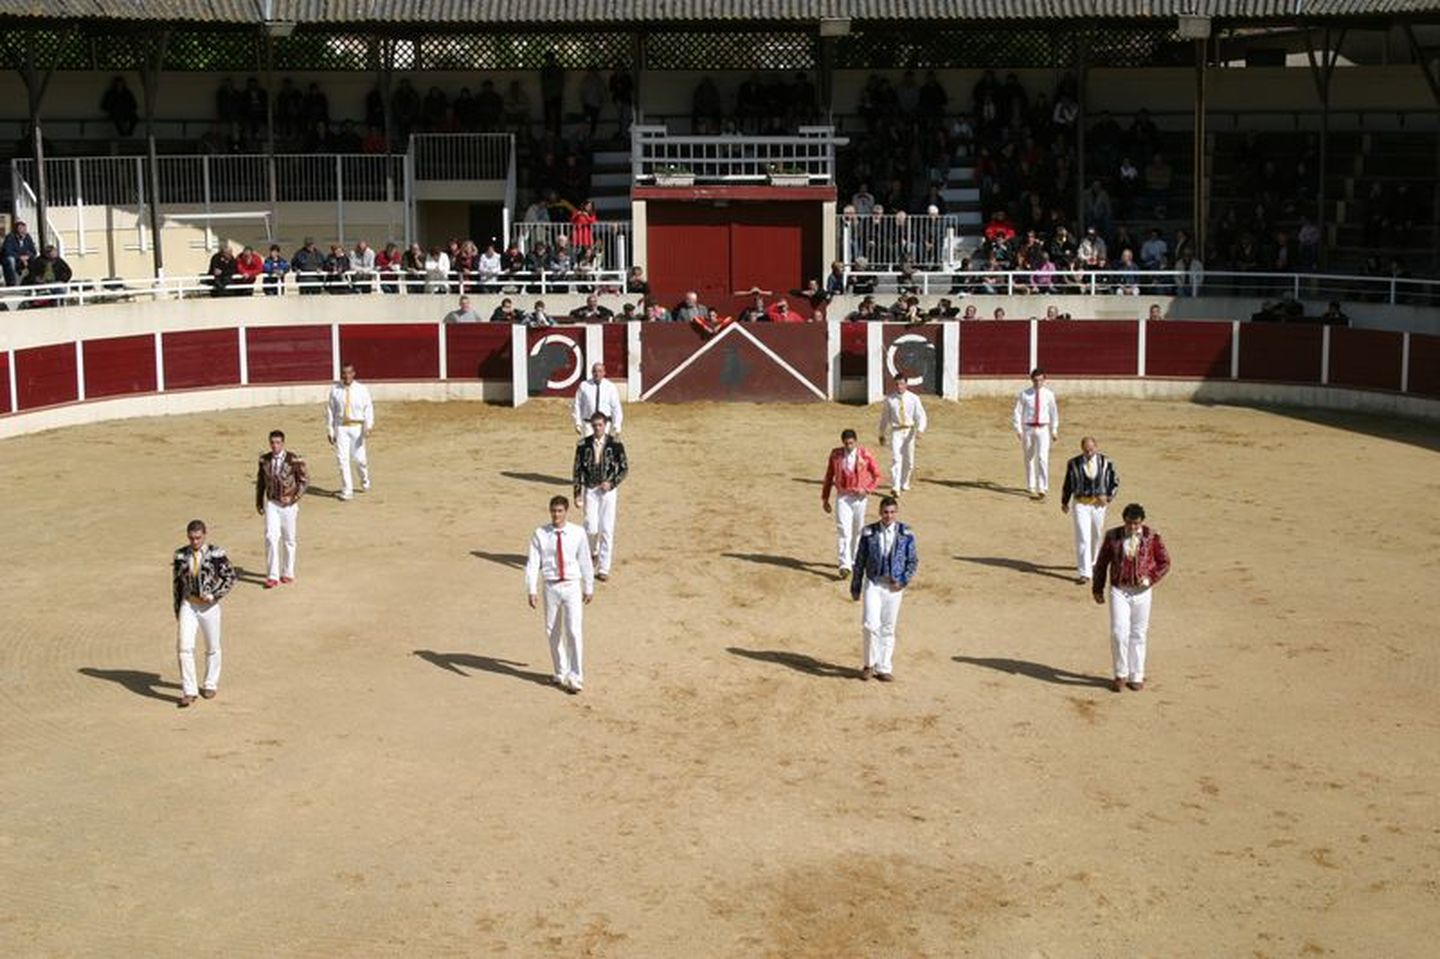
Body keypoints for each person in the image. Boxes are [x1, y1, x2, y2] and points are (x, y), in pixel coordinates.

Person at [1092, 503, 1172, 692]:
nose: (1132, 527)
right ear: (1124, 520)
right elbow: (1102, 563)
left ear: (1141, 522)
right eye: (1129, 523)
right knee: (1119, 632)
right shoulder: (1113, 536)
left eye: (1136, 523)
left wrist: (1150, 578)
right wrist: (1097, 588)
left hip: (1142, 592)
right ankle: (1121, 673)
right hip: (1119, 589)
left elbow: (1164, 562)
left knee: (1138, 633)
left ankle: (1136, 674)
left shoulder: (1152, 536)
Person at [524, 496, 595, 693]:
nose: (556, 515)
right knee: (552, 631)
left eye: (560, 511)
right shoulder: (540, 534)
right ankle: (561, 671)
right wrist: (531, 589)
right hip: (551, 586)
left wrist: (589, 586)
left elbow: (585, 560)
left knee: (573, 630)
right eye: (553, 511)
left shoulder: (577, 532)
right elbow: (533, 563)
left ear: (566, 512)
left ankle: (576, 676)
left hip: (572, 585)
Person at [849, 496, 918, 682]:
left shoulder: (906, 533)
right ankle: (869, 664)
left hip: (894, 587)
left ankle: (884, 667)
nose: (889, 516)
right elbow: (859, 561)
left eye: (892, 512)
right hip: (874, 582)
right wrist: (856, 586)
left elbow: (912, 561)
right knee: (870, 624)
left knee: (888, 627)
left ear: (896, 513)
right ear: (880, 512)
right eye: (886, 512)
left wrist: (903, 581)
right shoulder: (868, 532)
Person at [171, 519, 236, 708]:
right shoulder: (180, 555)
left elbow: (230, 577)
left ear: (204, 535)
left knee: (212, 647)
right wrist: (178, 609)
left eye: (198, 538)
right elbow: (176, 584)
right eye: (191, 538)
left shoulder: (217, 553)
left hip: (209, 607)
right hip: (189, 605)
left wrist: (215, 595)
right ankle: (189, 691)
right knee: (184, 647)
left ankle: (210, 684)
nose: (195, 542)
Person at [572, 412, 628, 582]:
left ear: (605, 425)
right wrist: (577, 493)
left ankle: (604, 568)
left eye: (600, 425)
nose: (597, 428)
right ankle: (592, 552)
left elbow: (624, 468)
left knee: (607, 529)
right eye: (595, 425)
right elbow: (577, 470)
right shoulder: (583, 444)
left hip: (607, 491)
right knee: (591, 527)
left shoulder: (615, 444)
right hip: (590, 489)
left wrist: (612, 483)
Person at [822, 429, 882, 579]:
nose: (849, 446)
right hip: (843, 497)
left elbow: (877, 475)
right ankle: (844, 565)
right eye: (846, 443)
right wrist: (825, 497)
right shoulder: (836, 454)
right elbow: (829, 476)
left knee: (857, 530)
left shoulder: (864, 454)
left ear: (855, 441)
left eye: (851, 443)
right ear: (843, 443)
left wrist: (867, 489)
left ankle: (854, 559)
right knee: (843, 530)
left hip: (859, 498)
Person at [1060, 437, 1120, 584]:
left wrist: (1109, 497)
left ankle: (1093, 562)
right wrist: (1065, 501)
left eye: (1091, 450)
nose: (1089, 453)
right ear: (1082, 449)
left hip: (1099, 505)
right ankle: (1084, 572)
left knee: (1096, 535)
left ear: (1096, 447)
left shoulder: (1106, 462)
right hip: (1081, 503)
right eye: (1086, 450)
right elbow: (1068, 483)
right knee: (1082, 537)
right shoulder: (1073, 463)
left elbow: (1115, 481)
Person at [254, 430, 308, 588]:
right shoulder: (264, 460)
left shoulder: (293, 459)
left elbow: (304, 481)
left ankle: (288, 572)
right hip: (272, 503)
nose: (275, 446)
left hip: (288, 505)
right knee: (271, 537)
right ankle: (272, 575)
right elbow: (261, 482)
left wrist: (293, 498)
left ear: (283, 443)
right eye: (272, 443)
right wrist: (259, 501)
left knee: (289, 539)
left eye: (278, 443)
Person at [325, 364, 373, 502]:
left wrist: (368, 426)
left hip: (357, 427)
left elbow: (368, 408)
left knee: (359, 460)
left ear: (354, 373)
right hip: (341, 427)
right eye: (344, 373)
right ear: (341, 374)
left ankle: (364, 479)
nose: (347, 376)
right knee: (342, 459)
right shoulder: (335, 390)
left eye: (349, 373)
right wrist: (330, 430)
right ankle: (347, 490)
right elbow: (330, 411)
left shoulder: (361, 389)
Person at [1012, 367, 1059, 499]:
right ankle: (1031, 485)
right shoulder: (1024, 394)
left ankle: (1043, 487)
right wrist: (1018, 429)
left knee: (1043, 458)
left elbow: (1053, 413)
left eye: (1040, 380)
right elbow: (1017, 412)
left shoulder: (1049, 394)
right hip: (1028, 428)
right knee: (1029, 457)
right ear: (1032, 380)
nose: (1038, 383)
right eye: (1036, 380)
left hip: (1043, 428)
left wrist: (1054, 429)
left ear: (1044, 380)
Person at [878, 374, 928, 495]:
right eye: (897, 384)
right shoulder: (890, 399)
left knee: (909, 460)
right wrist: (882, 433)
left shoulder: (914, 398)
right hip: (896, 431)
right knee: (896, 458)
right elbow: (885, 417)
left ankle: (904, 482)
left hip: (909, 431)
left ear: (906, 384)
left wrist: (920, 429)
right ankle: (895, 486)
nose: (899, 386)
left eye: (901, 384)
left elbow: (920, 415)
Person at [572, 361, 624, 435]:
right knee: (589, 442)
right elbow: (577, 404)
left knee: (604, 442)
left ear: (604, 372)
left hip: (605, 424)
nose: (597, 374)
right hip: (588, 423)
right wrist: (577, 422)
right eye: (595, 371)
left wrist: (617, 424)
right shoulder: (584, 386)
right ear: (592, 372)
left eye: (600, 371)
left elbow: (615, 406)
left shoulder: (610, 387)